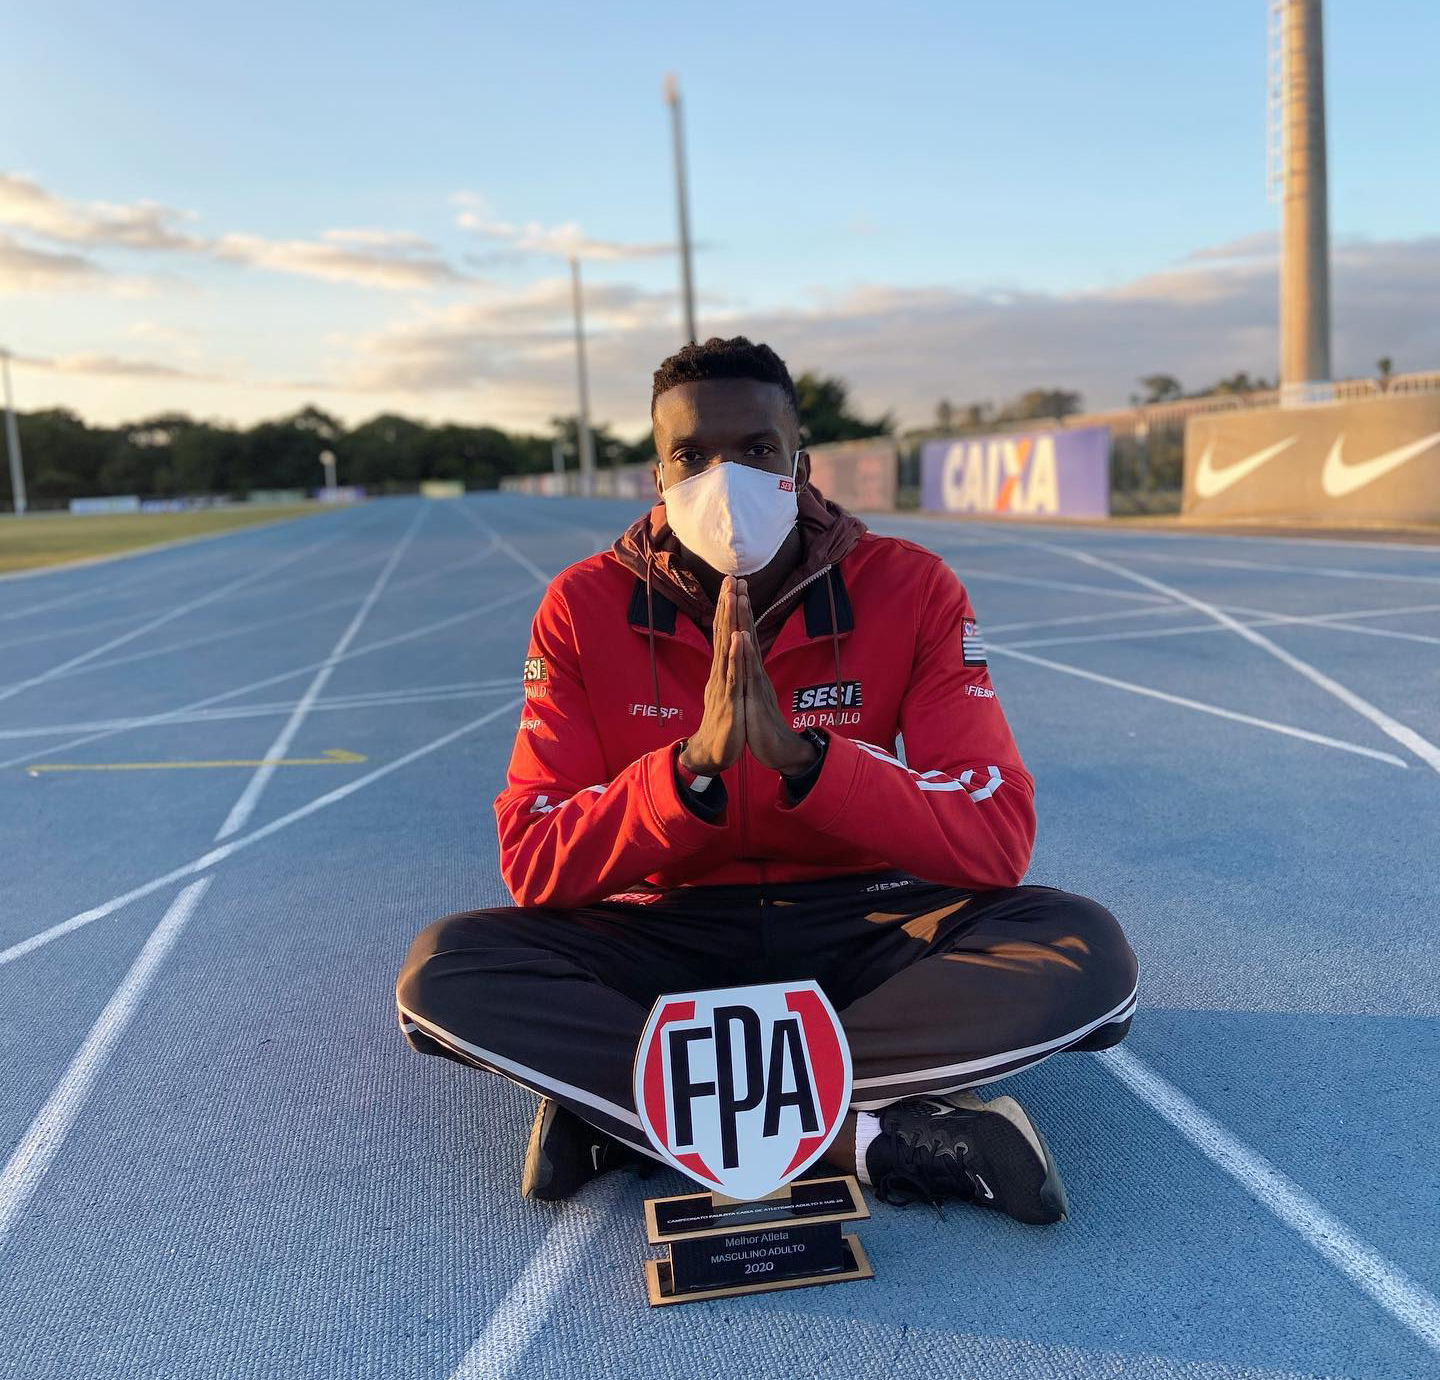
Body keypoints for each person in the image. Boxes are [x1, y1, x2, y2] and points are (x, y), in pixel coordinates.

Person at [396, 336, 1138, 1225]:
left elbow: (995, 835)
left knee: (1084, 955)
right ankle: (868, 1136)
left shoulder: (911, 587)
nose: (726, 479)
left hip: (863, 924)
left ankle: (630, 1111)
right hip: (665, 931)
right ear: (658, 477)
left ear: (800, 466)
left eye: (756, 451)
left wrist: (812, 763)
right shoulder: (581, 606)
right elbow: (534, 858)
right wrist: (684, 774)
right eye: (692, 456)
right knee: (446, 972)